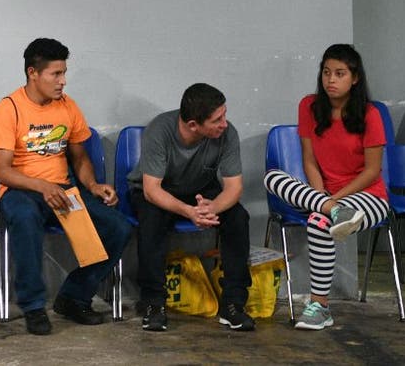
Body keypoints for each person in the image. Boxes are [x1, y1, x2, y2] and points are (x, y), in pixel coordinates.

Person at [0, 38, 131, 336]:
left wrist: (93, 184)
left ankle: (73, 297)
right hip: (22, 191)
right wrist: (41, 187)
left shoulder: (68, 106)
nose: (63, 81)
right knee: (24, 220)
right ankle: (34, 306)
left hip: (63, 191)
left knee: (118, 228)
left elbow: (79, 157)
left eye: (64, 73)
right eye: (56, 74)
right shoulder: (9, 108)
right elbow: (2, 171)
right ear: (33, 73)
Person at [264, 44, 389, 330]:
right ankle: (331, 210)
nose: (331, 80)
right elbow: (309, 160)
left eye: (340, 74)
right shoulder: (309, 106)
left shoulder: (370, 115)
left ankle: (319, 307)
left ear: (355, 78)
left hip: (367, 197)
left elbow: (372, 172)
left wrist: (334, 199)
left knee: (318, 222)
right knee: (272, 178)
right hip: (323, 196)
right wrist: (324, 199)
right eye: (326, 72)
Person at [128, 83, 253, 332]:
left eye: (224, 115)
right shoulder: (160, 130)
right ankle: (153, 303)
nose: (224, 124)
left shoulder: (227, 134)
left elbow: (234, 188)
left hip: (200, 190)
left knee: (238, 217)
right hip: (156, 190)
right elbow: (152, 190)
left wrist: (212, 208)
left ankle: (233, 305)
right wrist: (189, 212)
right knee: (152, 221)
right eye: (217, 119)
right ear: (194, 125)